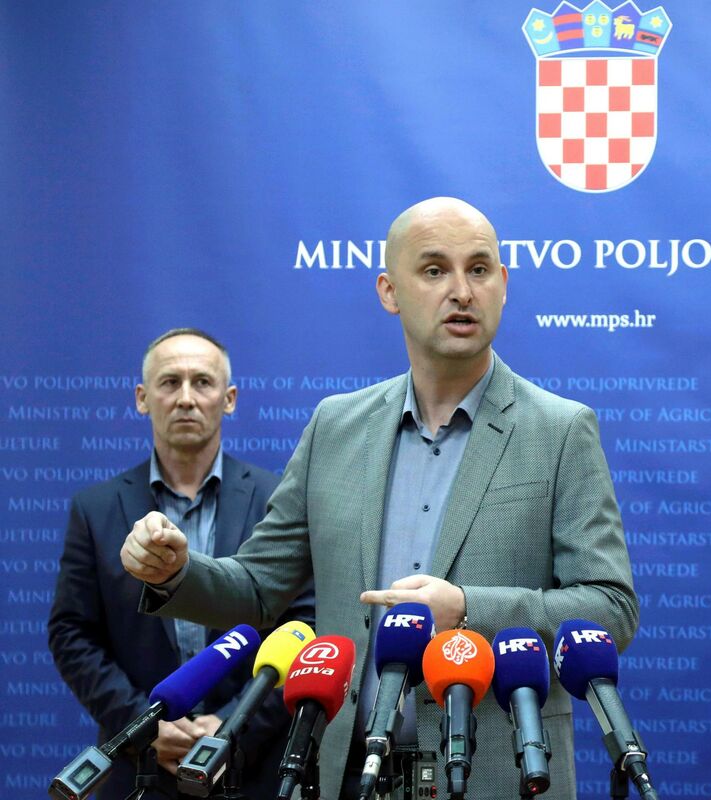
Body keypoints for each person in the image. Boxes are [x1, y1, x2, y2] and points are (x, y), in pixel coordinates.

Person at [120, 197, 638, 800]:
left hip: (499, 778)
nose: (462, 291)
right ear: (390, 292)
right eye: (434, 270)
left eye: (478, 269)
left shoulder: (560, 430)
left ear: (503, 285)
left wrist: (468, 609)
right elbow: (260, 586)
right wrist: (176, 573)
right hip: (345, 775)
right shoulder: (335, 427)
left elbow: (610, 609)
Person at [48, 328, 314, 799]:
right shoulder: (96, 508)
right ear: (142, 398)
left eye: (202, 382)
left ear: (229, 399)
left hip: (252, 770)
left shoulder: (279, 501)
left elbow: (305, 627)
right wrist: (143, 723)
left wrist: (234, 724)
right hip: (142, 770)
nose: (186, 398)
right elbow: (72, 633)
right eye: (170, 382)